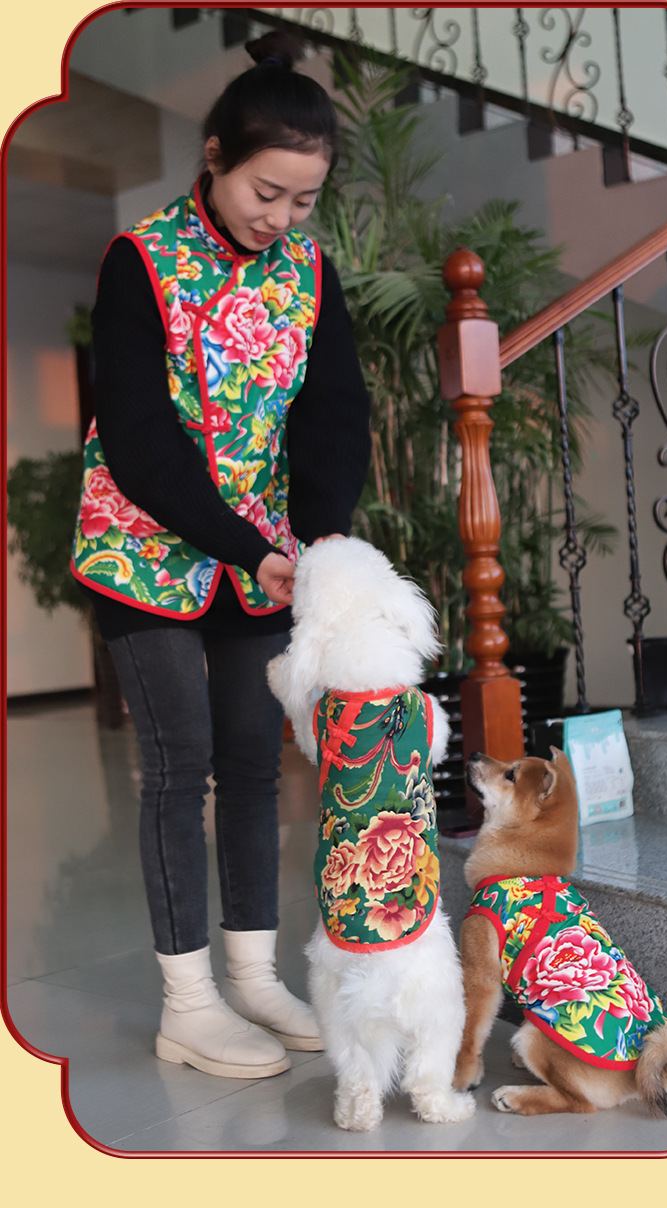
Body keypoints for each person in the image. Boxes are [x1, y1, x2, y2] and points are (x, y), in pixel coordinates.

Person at [71, 32, 371, 1081]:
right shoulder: (141, 260)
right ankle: (188, 1005)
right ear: (214, 157)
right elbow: (139, 436)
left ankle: (251, 976)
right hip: (145, 542)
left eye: (303, 199)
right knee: (180, 762)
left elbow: (334, 411)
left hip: (262, 552)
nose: (281, 216)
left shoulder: (309, 274)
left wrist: (317, 535)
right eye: (265, 191)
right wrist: (249, 544)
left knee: (252, 758)